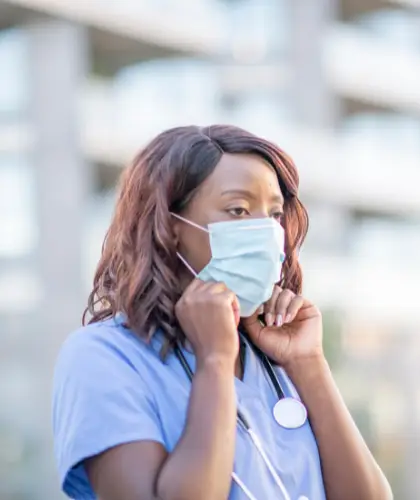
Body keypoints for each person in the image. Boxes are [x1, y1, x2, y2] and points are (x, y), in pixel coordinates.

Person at [52, 124, 392, 500]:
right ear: (169, 224)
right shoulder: (103, 357)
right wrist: (214, 360)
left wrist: (309, 364)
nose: (265, 230)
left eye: (274, 214)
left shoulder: (274, 355)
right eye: (238, 209)